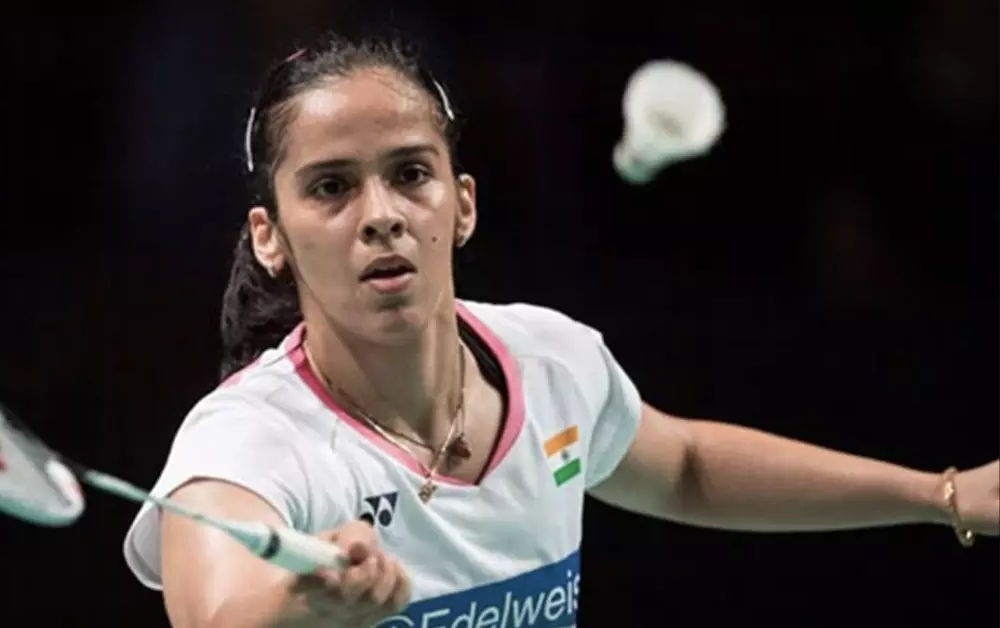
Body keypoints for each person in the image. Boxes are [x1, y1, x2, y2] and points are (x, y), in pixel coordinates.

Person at [122, 35, 999, 628]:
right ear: (269, 236)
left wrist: (943, 495)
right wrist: (299, 609)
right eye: (330, 187)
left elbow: (685, 467)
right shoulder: (249, 438)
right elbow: (214, 610)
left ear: (462, 204)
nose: (381, 214)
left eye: (411, 173)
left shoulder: (548, 362)